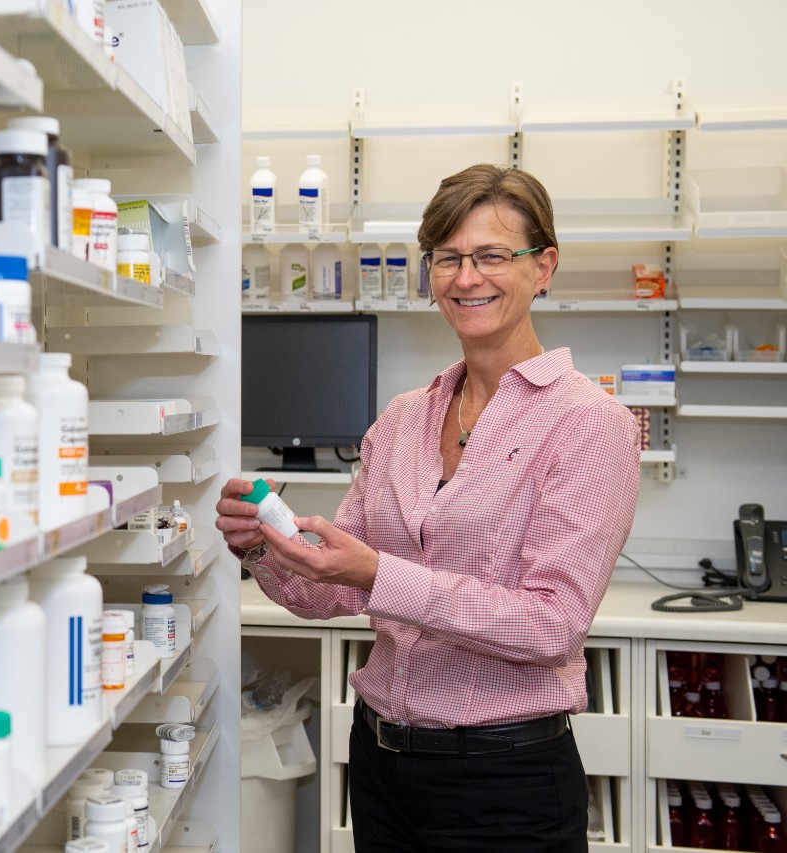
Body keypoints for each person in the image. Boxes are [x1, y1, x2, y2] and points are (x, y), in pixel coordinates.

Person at [218, 164, 640, 852]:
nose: (466, 277)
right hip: (382, 762)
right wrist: (263, 545)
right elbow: (331, 589)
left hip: (504, 782)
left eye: (493, 255)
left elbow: (552, 624)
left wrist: (377, 572)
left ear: (545, 267)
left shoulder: (590, 424)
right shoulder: (404, 418)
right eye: (448, 257)